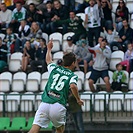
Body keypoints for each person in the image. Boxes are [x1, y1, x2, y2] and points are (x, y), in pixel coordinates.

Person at [28, 40, 84, 133]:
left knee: (34, 130)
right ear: (73, 63)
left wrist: (49, 49)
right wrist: (78, 99)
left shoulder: (55, 68)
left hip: (45, 104)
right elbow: (73, 86)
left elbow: (48, 60)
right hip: (58, 105)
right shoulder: (72, 75)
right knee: (60, 130)